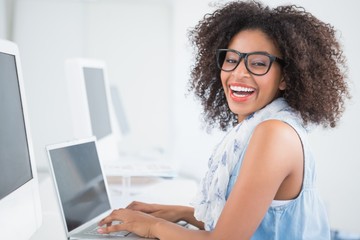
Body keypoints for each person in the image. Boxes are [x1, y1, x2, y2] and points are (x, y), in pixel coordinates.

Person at [97, 1, 350, 239]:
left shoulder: (274, 134)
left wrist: (152, 226)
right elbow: (252, 223)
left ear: (285, 78)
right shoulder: (258, 126)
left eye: (258, 63)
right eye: (231, 60)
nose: (239, 73)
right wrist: (182, 213)